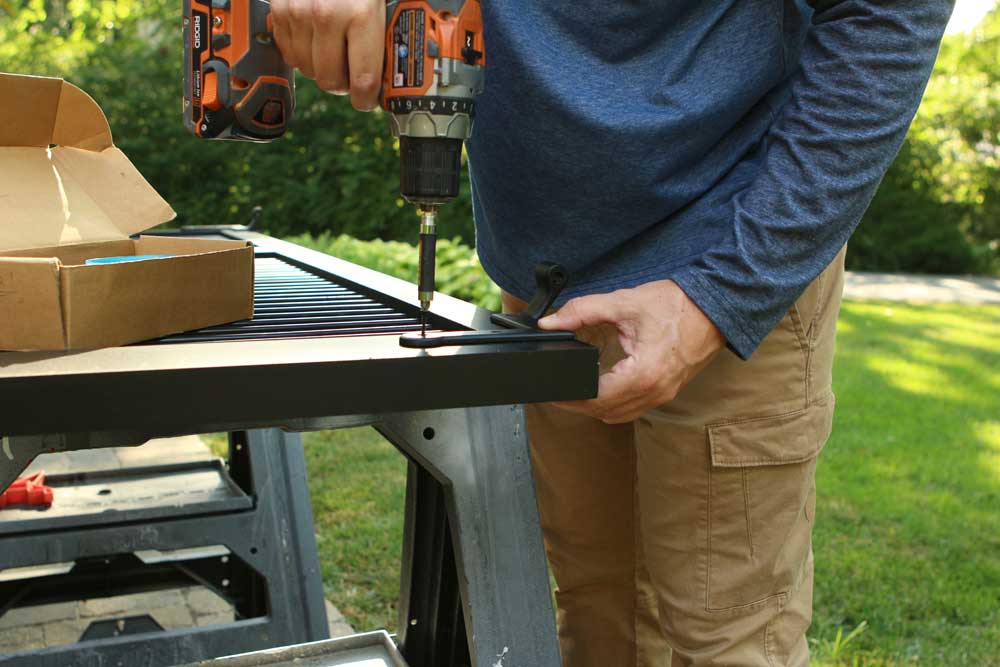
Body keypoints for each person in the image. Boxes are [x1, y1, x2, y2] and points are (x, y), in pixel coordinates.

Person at [269, 2, 953, 665]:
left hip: (725, 251)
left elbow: (892, 11)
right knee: (599, 609)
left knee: (730, 636)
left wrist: (724, 293)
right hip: (548, 283)